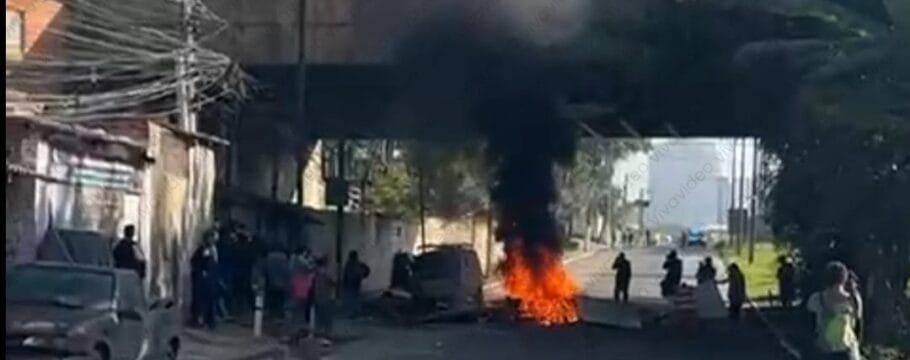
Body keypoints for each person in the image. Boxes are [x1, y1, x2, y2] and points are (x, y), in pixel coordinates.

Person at [806, 261, 862, 360]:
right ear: (844, 278)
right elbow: (858, 326)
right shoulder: (853, 299)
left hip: (824, 351)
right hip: (848, 351)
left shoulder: (816, 299)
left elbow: (809, 326)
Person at [190, 232, 220, 329]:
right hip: (203, 280)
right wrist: (202, 271)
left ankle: (210, 321)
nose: (213, 240)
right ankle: (199, 319)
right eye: (212, 238)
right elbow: (195, 261)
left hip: (212, 278)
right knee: (201, 300)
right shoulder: (203, 249)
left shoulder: (214, 249)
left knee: (210, 300)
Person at [313, 257, 336, 345]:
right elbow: (334, 282)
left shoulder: (315, 274)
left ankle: (319, 334)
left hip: (319, 298)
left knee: (320, 317)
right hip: (326, 298)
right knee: (327, 318)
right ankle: (327, 335)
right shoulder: (326, 274)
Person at [264, 245, 291, 319]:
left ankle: (271, 313)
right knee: (280, 299)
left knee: (271, 298)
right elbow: (287, 271)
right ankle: (279, 314)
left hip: (271, 281)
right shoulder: (284, 258)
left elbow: (265, 269)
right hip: (282, 282)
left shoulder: (269, 256)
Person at [342, 251, 371, 317]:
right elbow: (366, 271)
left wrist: (362, 275)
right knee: (354, 297)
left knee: (353, 297)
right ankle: (354, 311)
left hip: (353, 284)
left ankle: (353, 312)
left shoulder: (355, 264)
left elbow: (366, 271)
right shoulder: (354, 264)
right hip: (353, 284)